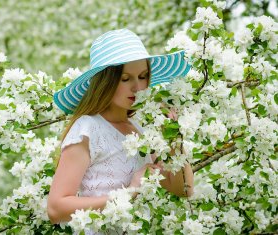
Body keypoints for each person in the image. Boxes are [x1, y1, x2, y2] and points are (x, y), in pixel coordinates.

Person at [47, 29, 194, 228]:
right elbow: (56, 208)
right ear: (106, 82)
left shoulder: (141, 127)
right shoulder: (88, 129)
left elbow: (183, 189)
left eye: (143, 76)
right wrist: (128, 193)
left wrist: (174, 137)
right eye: (125, 79)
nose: (137, 87)